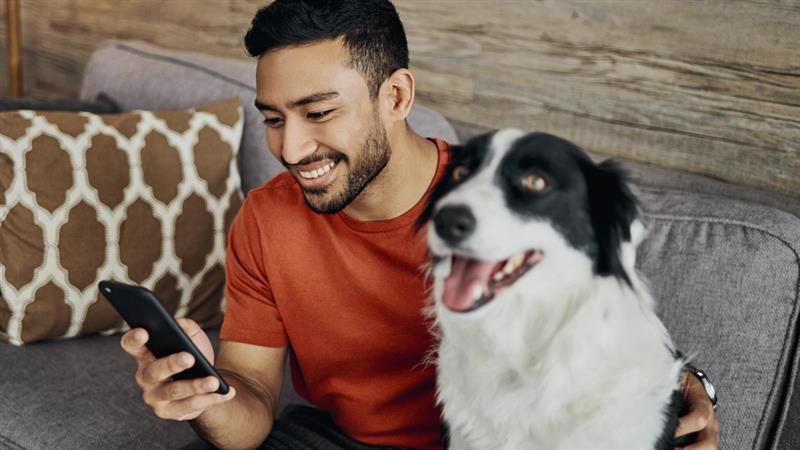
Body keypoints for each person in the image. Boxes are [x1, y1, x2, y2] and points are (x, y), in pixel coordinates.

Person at [120, 1, 721, 449]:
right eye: (273, 119)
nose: (292, 147)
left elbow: (606, 330)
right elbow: (250, 404)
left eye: (319, 113)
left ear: (398, 95)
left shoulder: (500, 202)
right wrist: (206, 396)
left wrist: (687, 381)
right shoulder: (266, 218)